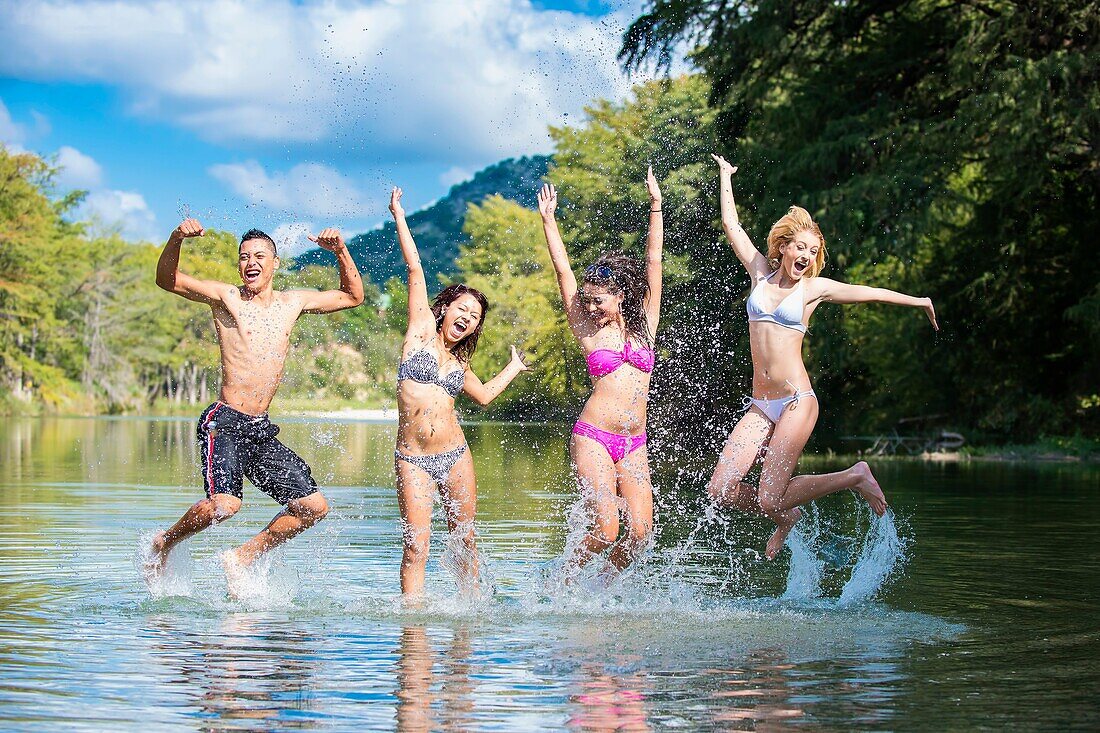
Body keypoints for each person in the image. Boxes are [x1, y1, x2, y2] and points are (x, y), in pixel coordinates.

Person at [706, 154, 939, 558]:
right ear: (782, 247)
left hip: (797, 400)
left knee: (767, 495)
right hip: (761, 405)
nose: (807, 257)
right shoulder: (759, 273)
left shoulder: (811, 290)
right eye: (801, 247)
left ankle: (854, 475)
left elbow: (867, 291)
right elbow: (732, 226)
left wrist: (918, 300)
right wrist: (726, 178)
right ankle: (787, 517)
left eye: (813, 252)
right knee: (721, 490)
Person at [144, 219, 365, 593]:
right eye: (244, 257)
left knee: (313, 507)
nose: (251, 263)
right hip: (225, 421)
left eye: (260, 256)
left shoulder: (292, 303)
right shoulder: (225, 297)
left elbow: (352, 296)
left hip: (260, 428)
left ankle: (242, 557)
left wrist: (341, 250)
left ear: (275, 263)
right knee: (225, 505)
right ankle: (163, 542)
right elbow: (168, 279)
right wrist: (177, 237)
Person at [389, 187, 529, 598]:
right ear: (443, 309)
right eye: (461, 310)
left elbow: (483, 396)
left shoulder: (459, 364)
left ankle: (470, 612)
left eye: (474, 318)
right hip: (412, 459)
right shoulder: (418, 333)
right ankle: (412, 625)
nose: (466, 319)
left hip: (455, 456)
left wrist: (514, 367)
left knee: (464, 538)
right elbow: (415, 268)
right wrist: (399, 213)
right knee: (416, 545)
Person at [537, 167, 664, 579]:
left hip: (635, 442)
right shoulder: (588, 332)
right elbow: (564, 274)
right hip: (592, 437)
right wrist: (549, 221)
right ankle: (562, 580)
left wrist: (656, 207)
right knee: (607, 529)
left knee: (641, 534)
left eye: (599, 300)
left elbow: (654, 261)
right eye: (586, 301)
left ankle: (599, 594)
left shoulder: (646, 322)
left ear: (621, 295)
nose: (590, 307)